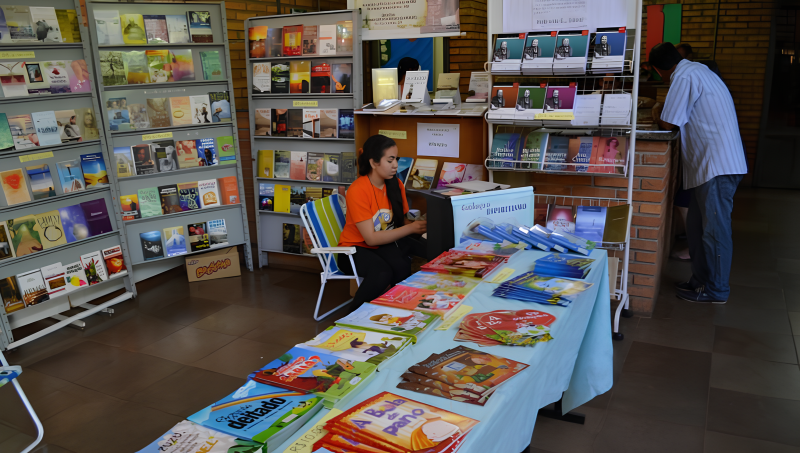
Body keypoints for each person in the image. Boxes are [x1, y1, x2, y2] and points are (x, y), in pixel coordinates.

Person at [650, 42, 747, 304]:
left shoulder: (684, 76)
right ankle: (700, 280)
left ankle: (717, 290)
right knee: (695, 227)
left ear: (659, 70)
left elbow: (669, 121)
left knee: (715, 231)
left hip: (716, 166)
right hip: (710, 166)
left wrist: (656, 110)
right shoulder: (697, 71)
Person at [338, 134, 427, 307]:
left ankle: (397, 309)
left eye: (397, 159)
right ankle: (352, 317)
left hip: (383, 243)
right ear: (373, 162)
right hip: (353, 249)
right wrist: (411, 229)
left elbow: (402, 223)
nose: (396, 165)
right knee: (381, 272)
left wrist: (423, 224)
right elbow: (370, 238)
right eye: (390, 160)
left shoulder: (395, 185)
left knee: (411, 261)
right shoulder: (358, 190)